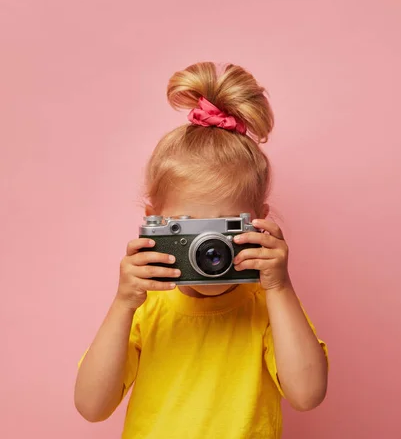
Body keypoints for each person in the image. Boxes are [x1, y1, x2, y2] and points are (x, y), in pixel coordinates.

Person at [74, 61, 329, 439]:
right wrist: (123, 303)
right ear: (155, 223)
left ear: (259, 221)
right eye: (189, 229)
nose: (208, 251)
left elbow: (307, 395)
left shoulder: (267, 304)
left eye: (224, 230)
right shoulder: (146, 306)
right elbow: (92, 407)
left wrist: (279, 287)